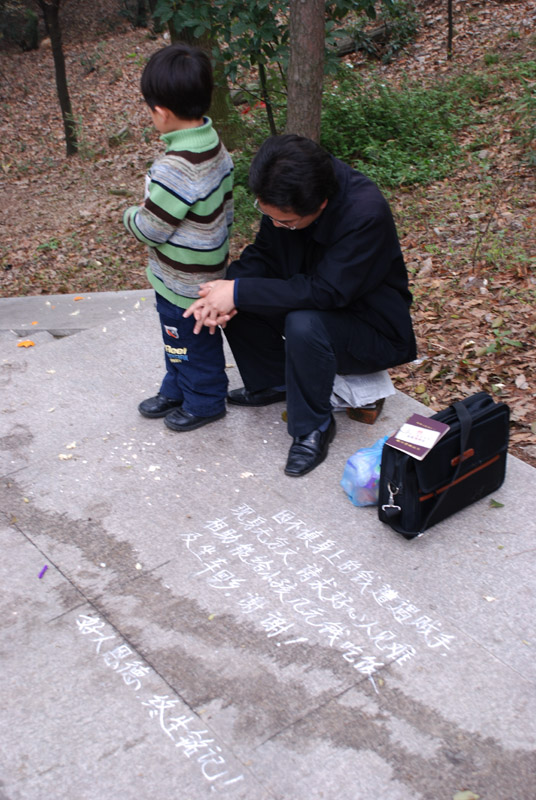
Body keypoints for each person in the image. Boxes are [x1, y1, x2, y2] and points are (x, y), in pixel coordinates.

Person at [184, 134, 416, 475]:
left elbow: (326, 293)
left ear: (319, 205)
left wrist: (240, 293)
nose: (276, 225)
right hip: (319, 305)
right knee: (241, 286)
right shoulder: (286, 191)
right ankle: (274, 381)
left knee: (301, 322)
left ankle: (313, 425)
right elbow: (265, 254)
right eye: (269, 215)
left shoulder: (365, 213)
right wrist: (224, 292)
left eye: (286, 222)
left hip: (372, 329)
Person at [123, 43, 234, 432]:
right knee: (180, 341)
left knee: (190, 341)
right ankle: (177, 387)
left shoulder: (175, 169)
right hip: (206, 267)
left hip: (183, 280)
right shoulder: (215, 147)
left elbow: (151, 227)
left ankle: (204, 401)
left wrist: (130, 216)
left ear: (161, 112)